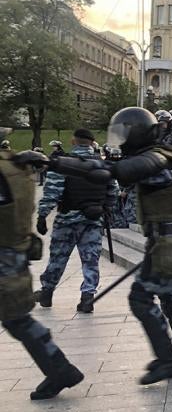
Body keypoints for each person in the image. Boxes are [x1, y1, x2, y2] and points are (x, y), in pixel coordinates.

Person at [49, 108, 172, 384]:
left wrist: (56, 163)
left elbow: (112, 172)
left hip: (169, 243)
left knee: (141, 299)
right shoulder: (170, 155)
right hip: (168, 240)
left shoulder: (157, 159)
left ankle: (168, 360)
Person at [3, 138, 84, 400]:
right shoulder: (15, 167)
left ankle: (60, 369)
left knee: (18, 320)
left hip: (6, 258)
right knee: (18, 320)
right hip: (13, 256)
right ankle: (60, 369)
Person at [34, 128, 118, 314]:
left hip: (67, 219)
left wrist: (42, 215)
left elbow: (52, 193)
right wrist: (107, 210)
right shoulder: (103, 165)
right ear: (92, 142)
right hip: (93, 221)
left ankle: (47, 292)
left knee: (58, 258)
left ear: (73, 141)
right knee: (90, 260)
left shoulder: (63, 164)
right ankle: (87, 298)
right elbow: (113, 191)